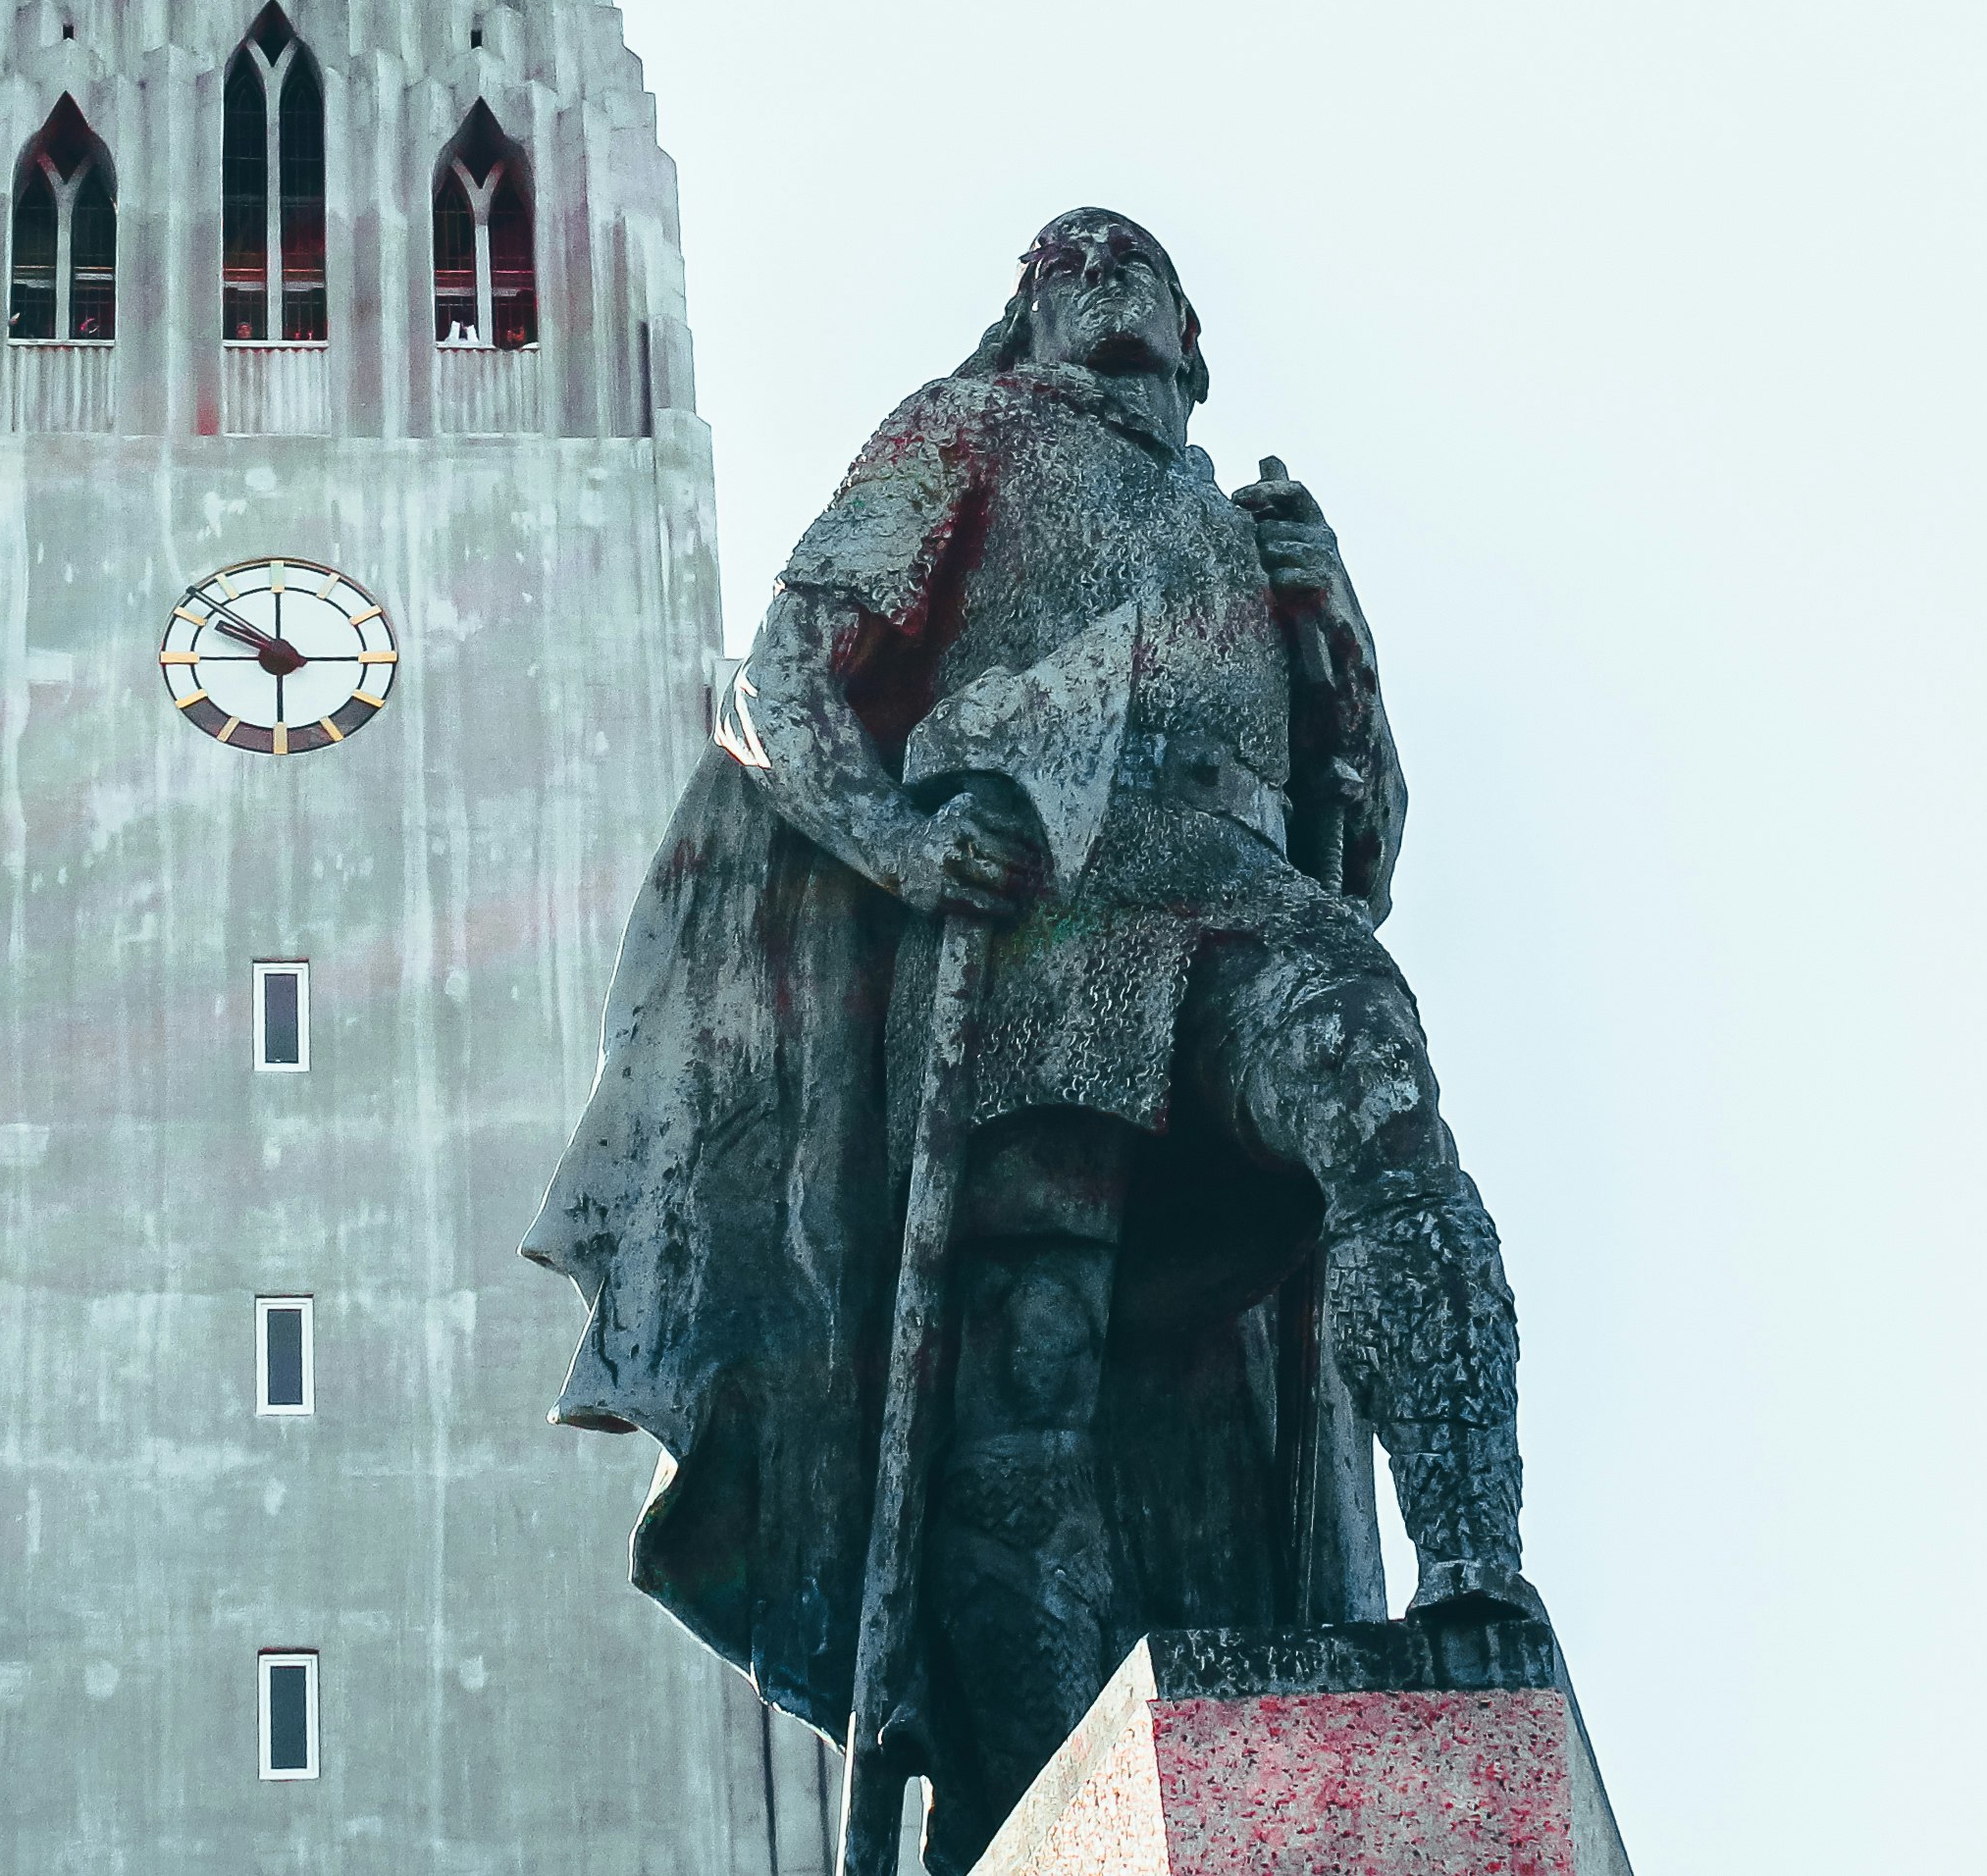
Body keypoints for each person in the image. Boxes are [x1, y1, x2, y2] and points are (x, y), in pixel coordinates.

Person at [529, 211, 1540, 1867]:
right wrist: (902, 845)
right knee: (1031, 1372)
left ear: (1196, 348)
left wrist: (1337, 641)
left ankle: (1478, 1568)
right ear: (1033, 316)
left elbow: (1362, 849)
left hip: (1236, 898)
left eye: (1145, 275)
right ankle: (1049, 1780)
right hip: (1044, 933)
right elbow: (783, 676)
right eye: (1076, 267)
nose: (1111, 284)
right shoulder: (968, 429)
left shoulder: (1254, 527)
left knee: (1379, 1108)